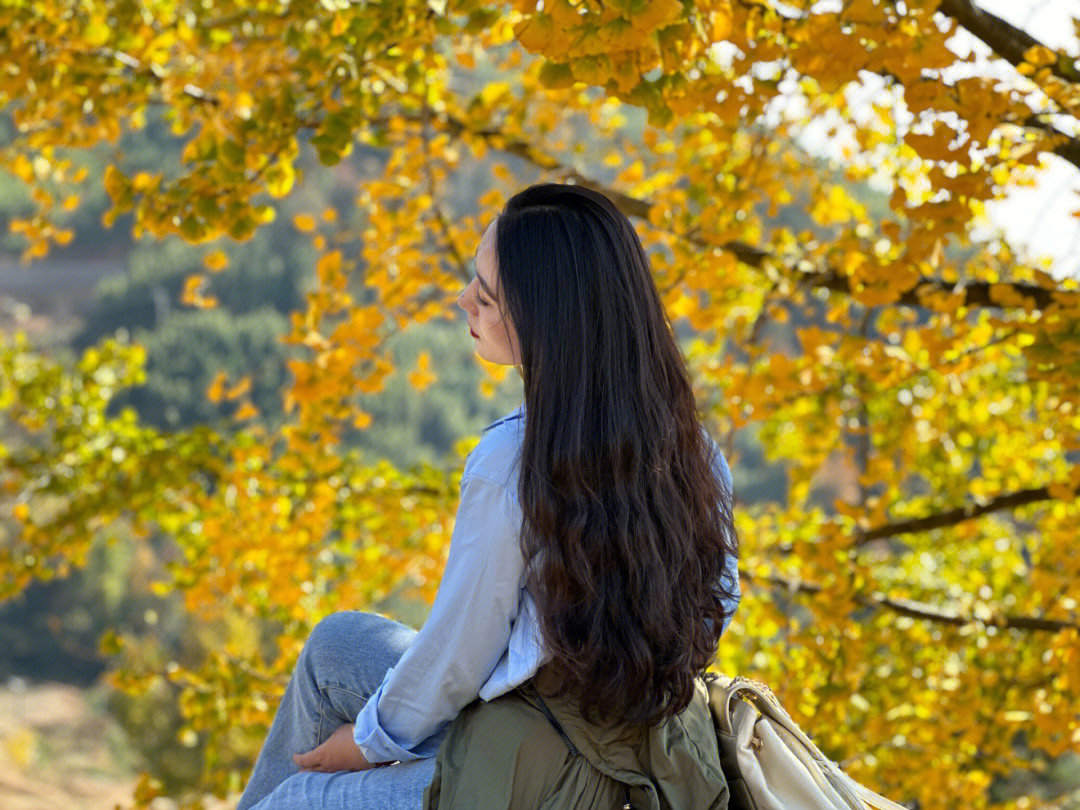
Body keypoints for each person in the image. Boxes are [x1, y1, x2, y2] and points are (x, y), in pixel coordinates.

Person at [236, 183, 740, 810]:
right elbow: (720, 599)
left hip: (540, 776)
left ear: (545, 320)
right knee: (335, 647)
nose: (463, 300)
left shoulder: (511, 462)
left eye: (486, 294)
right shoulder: (694, 450)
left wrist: (364, 745)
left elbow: (457, 656)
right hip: (630, 739)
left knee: (298, 801)